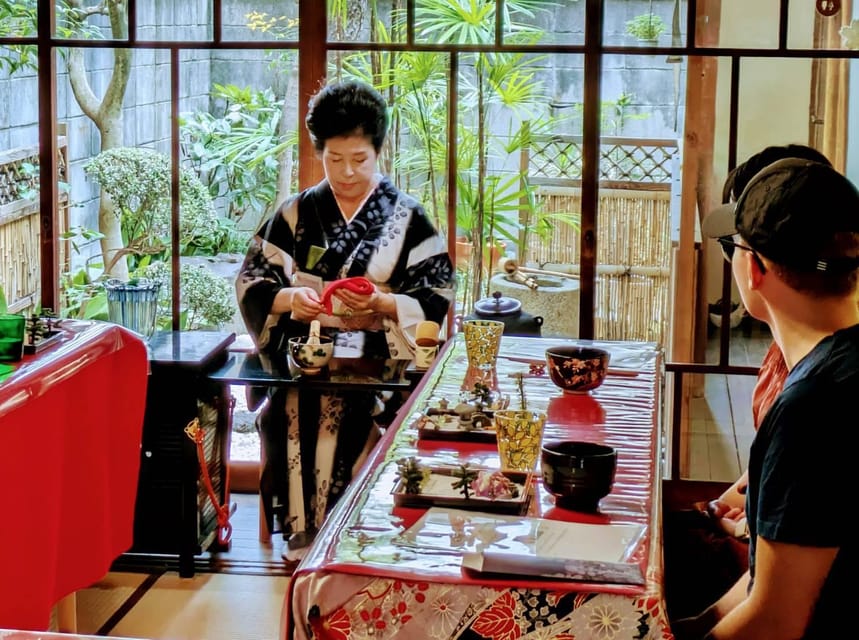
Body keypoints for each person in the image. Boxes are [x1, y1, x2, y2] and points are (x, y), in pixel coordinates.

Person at [235, 80, 455, 557]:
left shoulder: (408, 218)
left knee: (352, 409)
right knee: (292, 407)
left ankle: (354, 527)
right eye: (334, 159)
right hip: (307, 349)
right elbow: (252, 281)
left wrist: (384, 305)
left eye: (360, 159)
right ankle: (302, 526)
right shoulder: (295, 213)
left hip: (379, 356)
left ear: (379, 151)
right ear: (320, 153)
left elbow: (436, 292)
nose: (347, 172)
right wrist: (290, 298)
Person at [673, 158, 859, 639]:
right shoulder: (833, 370)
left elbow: (775, 620)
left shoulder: (814, 406)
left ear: (753, 269)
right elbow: (768, 578)